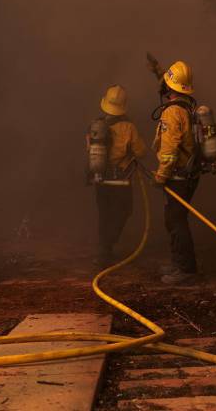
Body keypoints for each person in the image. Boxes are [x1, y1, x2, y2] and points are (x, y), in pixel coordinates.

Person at [152, 61, 200, 284]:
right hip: (190, 175)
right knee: (175, 219)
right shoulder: (188, 108)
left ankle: (186, 270)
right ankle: (177, 263)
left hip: (178, 176)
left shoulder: (172, 112)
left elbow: (170, 149)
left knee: (176, 221)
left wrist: (162, 176)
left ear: (169, 87)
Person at [88, 84, 146, 266]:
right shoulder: (129, 127)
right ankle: (109, 245)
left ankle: (104, 251)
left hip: (101, 179)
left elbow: (89, 149)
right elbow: (141, 151)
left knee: (104, 214)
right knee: (124, 211)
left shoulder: (95, 126)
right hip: (121, 181)